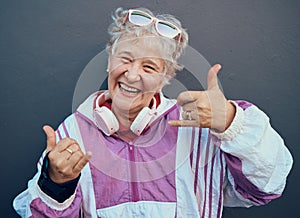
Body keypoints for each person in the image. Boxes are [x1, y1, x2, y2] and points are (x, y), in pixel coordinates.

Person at [13, 7, 293, 218]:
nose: (133, 75)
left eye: (149, 67)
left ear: (165, 78)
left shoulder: (198, 129)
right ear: (109, 62)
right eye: (125, 59)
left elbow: (265, 188)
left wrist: (232, 123)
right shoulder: (73, 132)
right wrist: (56, 184)